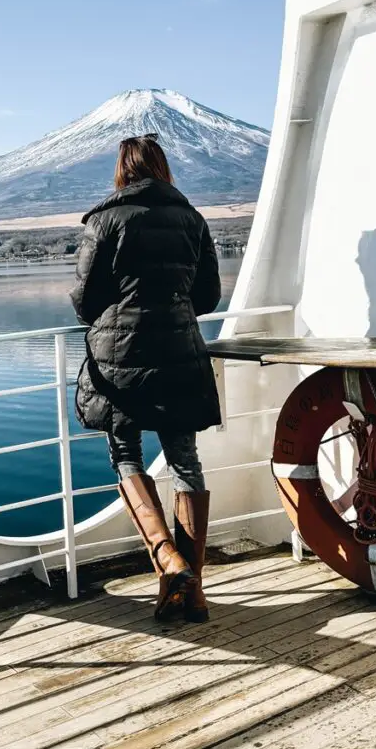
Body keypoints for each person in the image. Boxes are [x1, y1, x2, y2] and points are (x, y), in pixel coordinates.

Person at [71, 133, 222, 622]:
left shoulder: (105, 220)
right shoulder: (192, 219)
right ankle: (192, 593)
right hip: (182, 353)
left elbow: (84, 300)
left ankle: (168, 559)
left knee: (125, 452)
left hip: (122, 358)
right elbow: (207, 297)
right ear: (162, 169)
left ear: (122, 170)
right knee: (185, 461)